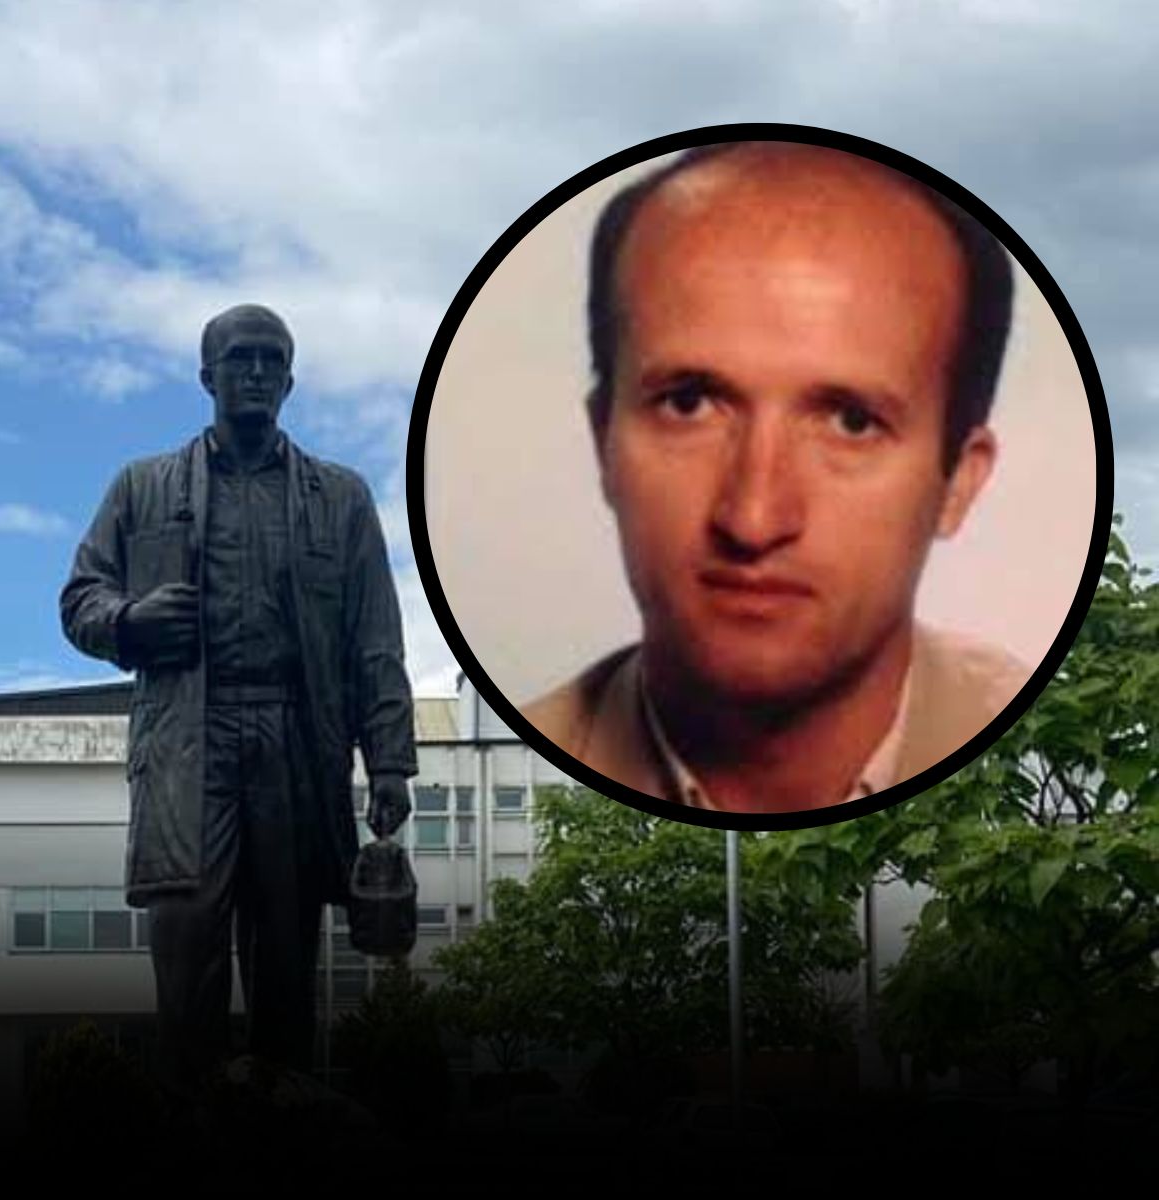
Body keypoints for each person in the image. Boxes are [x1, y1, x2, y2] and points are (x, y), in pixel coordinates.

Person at [521, 141, 1033, 815]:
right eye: (688, 404)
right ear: (603, 443)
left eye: (851, 421)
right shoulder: (539, 744)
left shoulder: (1035, 744)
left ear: (959, 482)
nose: (754, 517)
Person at [60, 303, 418, 1098]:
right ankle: (191, 1115)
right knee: (186, 930)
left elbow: (374, 639)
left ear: (289, 380)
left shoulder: (341, 497)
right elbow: (80, 598)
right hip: (190, 736)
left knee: (285, 946)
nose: (256, 372)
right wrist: (129, 620)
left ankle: (285, 1114)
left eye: (271, 360)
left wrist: (390, 761)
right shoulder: (143, 486)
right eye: (240, 358)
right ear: (207, 376)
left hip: (296, 735)